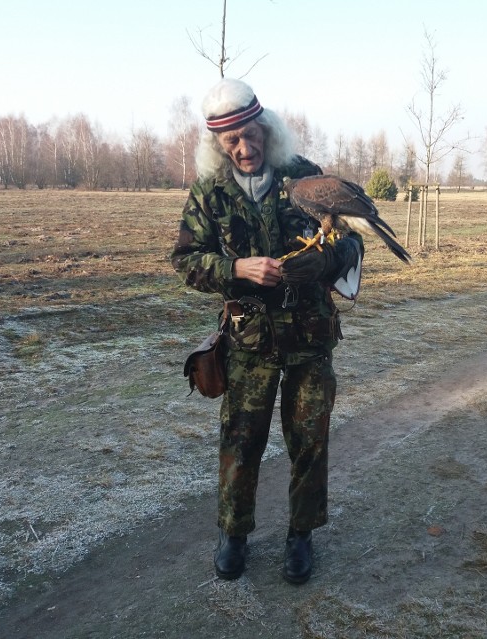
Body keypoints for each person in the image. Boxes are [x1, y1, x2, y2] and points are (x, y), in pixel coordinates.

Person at [170, 78, 363, 585]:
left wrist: (319, 264)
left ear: (266, 129)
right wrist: (237, 271)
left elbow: (351, 247)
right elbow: (185, 262)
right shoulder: (209, 194)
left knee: (309, 440)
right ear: (217, 145)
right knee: (241, 440)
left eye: (251, 134)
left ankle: (301, 535)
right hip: (248, 344)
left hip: (309, 337)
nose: (244, 147)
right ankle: (233, 534)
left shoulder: (303, 177)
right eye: (231, 141)